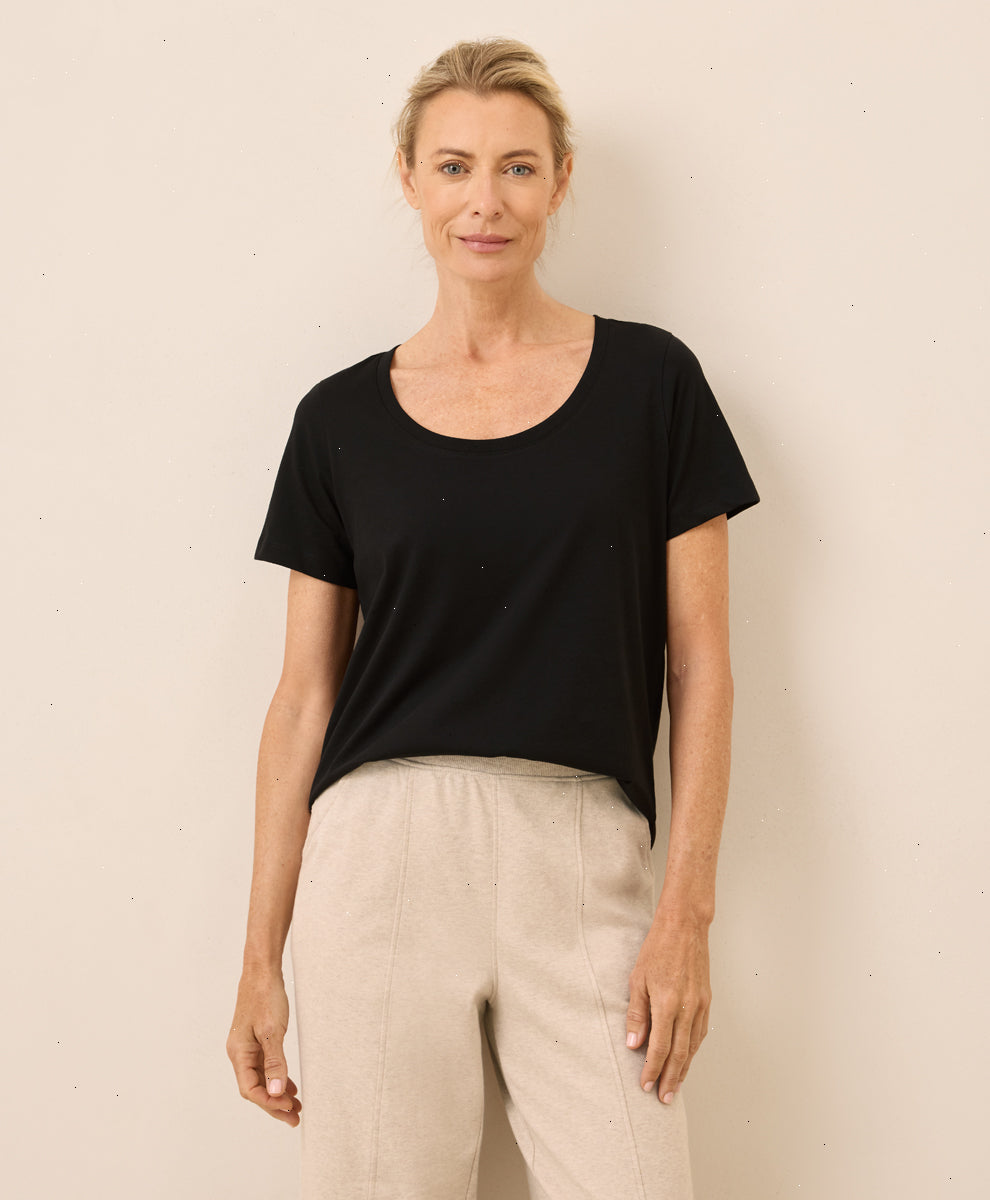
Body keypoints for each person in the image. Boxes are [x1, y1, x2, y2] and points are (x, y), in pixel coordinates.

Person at [226, 36, 759, 1200]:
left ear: (561, 180)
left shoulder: (653, 385)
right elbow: (304, 698)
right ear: (410, 180)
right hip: (378, 856)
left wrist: (686, 913)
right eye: (455, 166)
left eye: (518, 167)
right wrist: (260, 957)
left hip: (585, 852)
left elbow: (703, 666)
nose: (486, 201)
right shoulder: (338, 421)